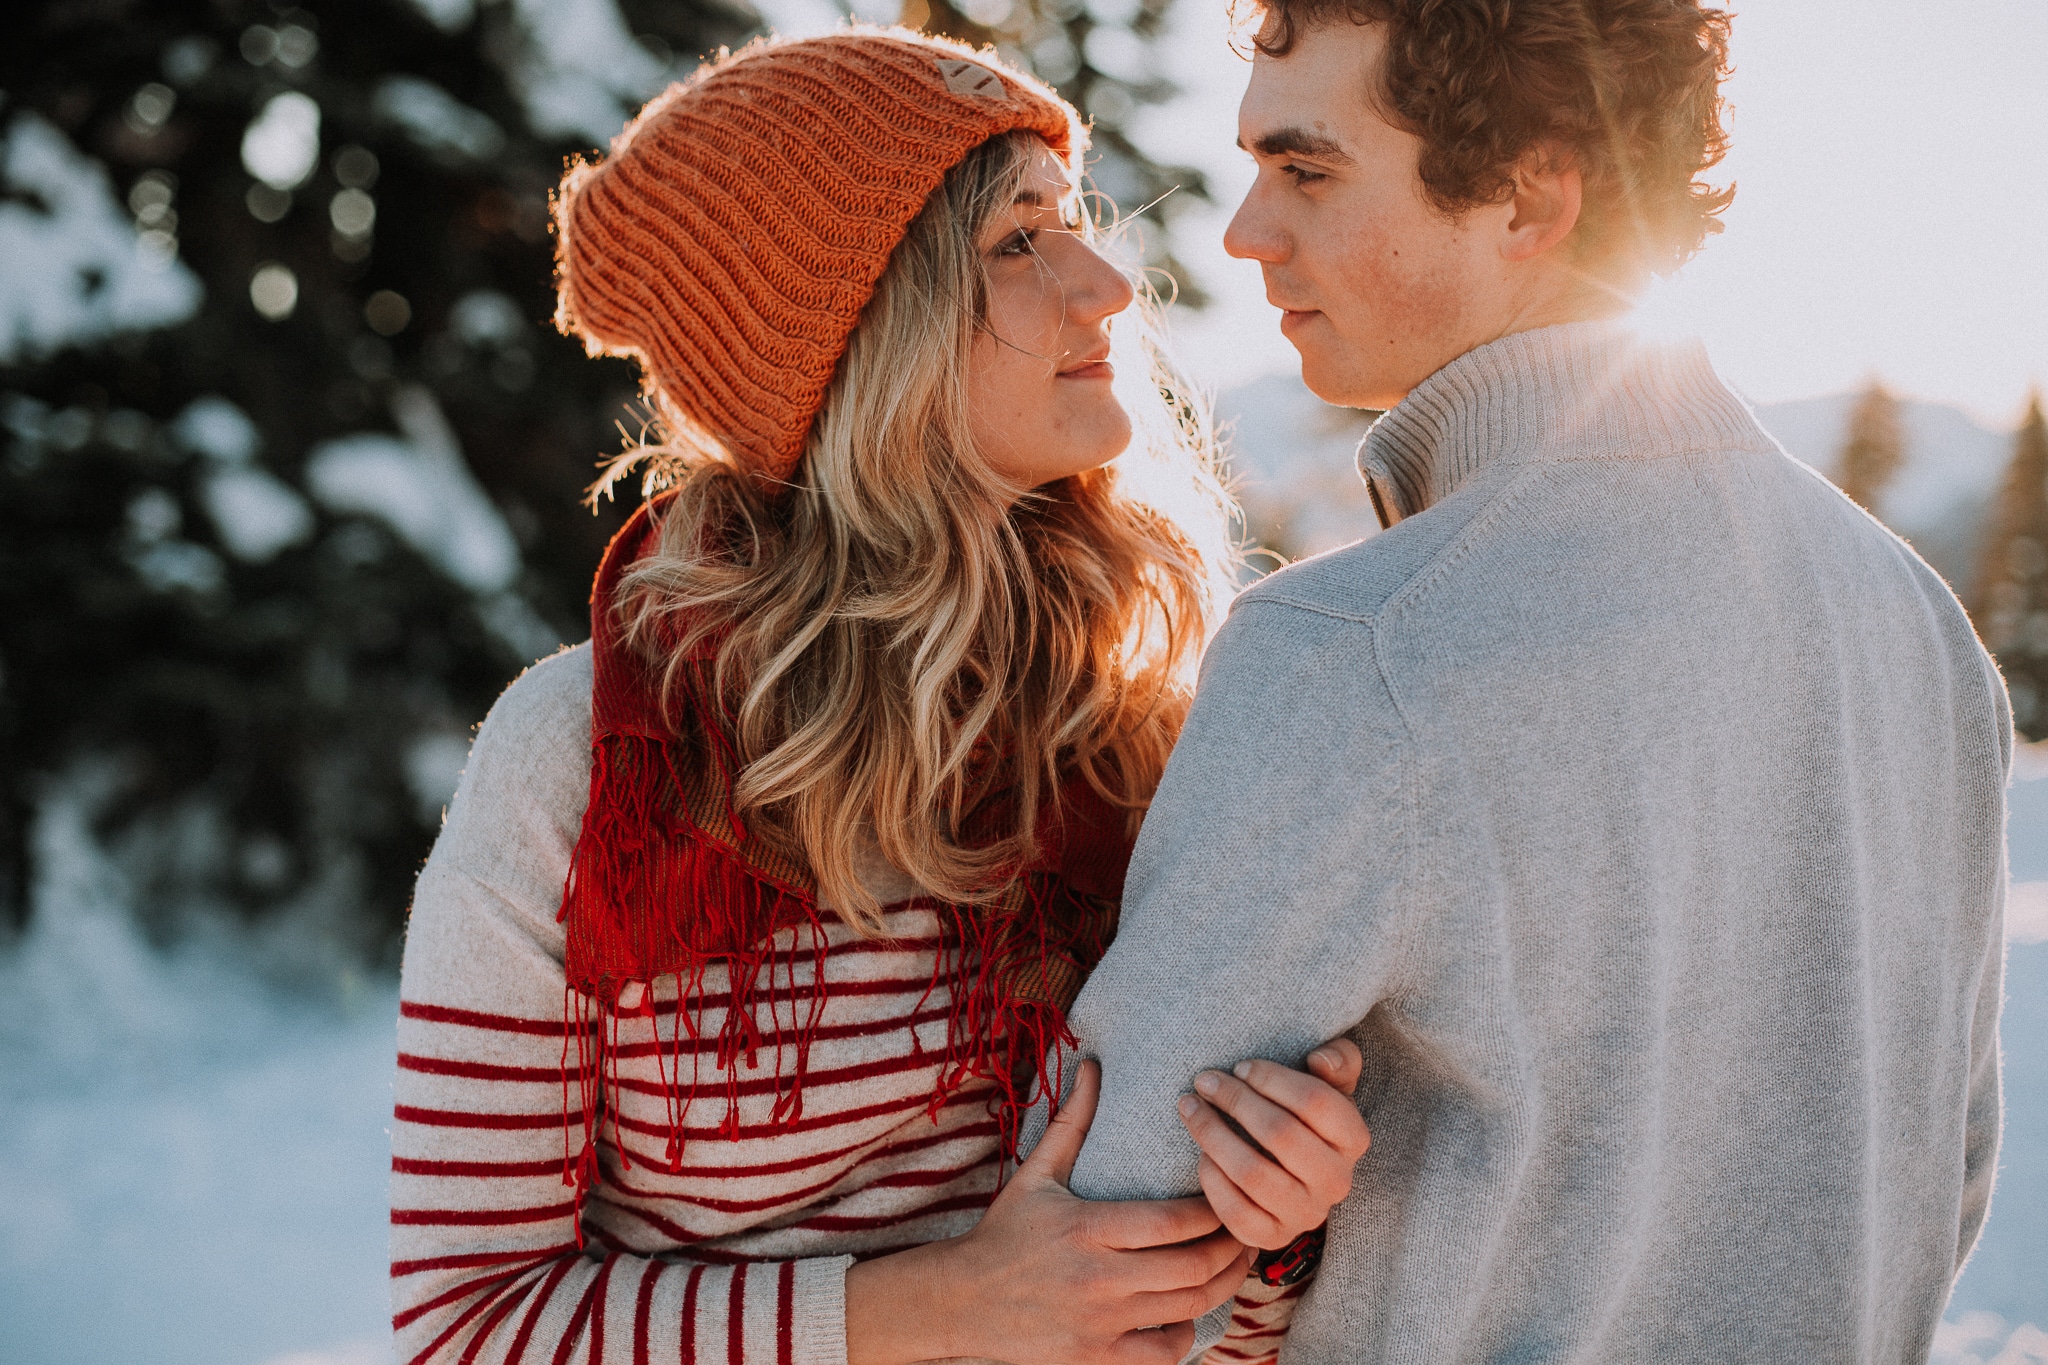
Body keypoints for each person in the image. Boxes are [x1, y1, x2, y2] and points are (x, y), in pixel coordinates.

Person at [388, 29, 1372, 1365]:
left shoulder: (1146, 729)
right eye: (1015, 242)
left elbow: (1210, 1339)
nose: (1105, 283)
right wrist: (941, 1305)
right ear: (858, 342)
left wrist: (1273, 1232)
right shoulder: (586, 767)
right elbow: (461, 1328)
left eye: (1073, 221)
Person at [1048, 0, 2009, 1360]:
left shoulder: (1356, 652)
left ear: (1530, 193)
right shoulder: (1918, 627)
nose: (1247, 230)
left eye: (1307, 168)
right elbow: (1943, 1167)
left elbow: (1108, 1259)